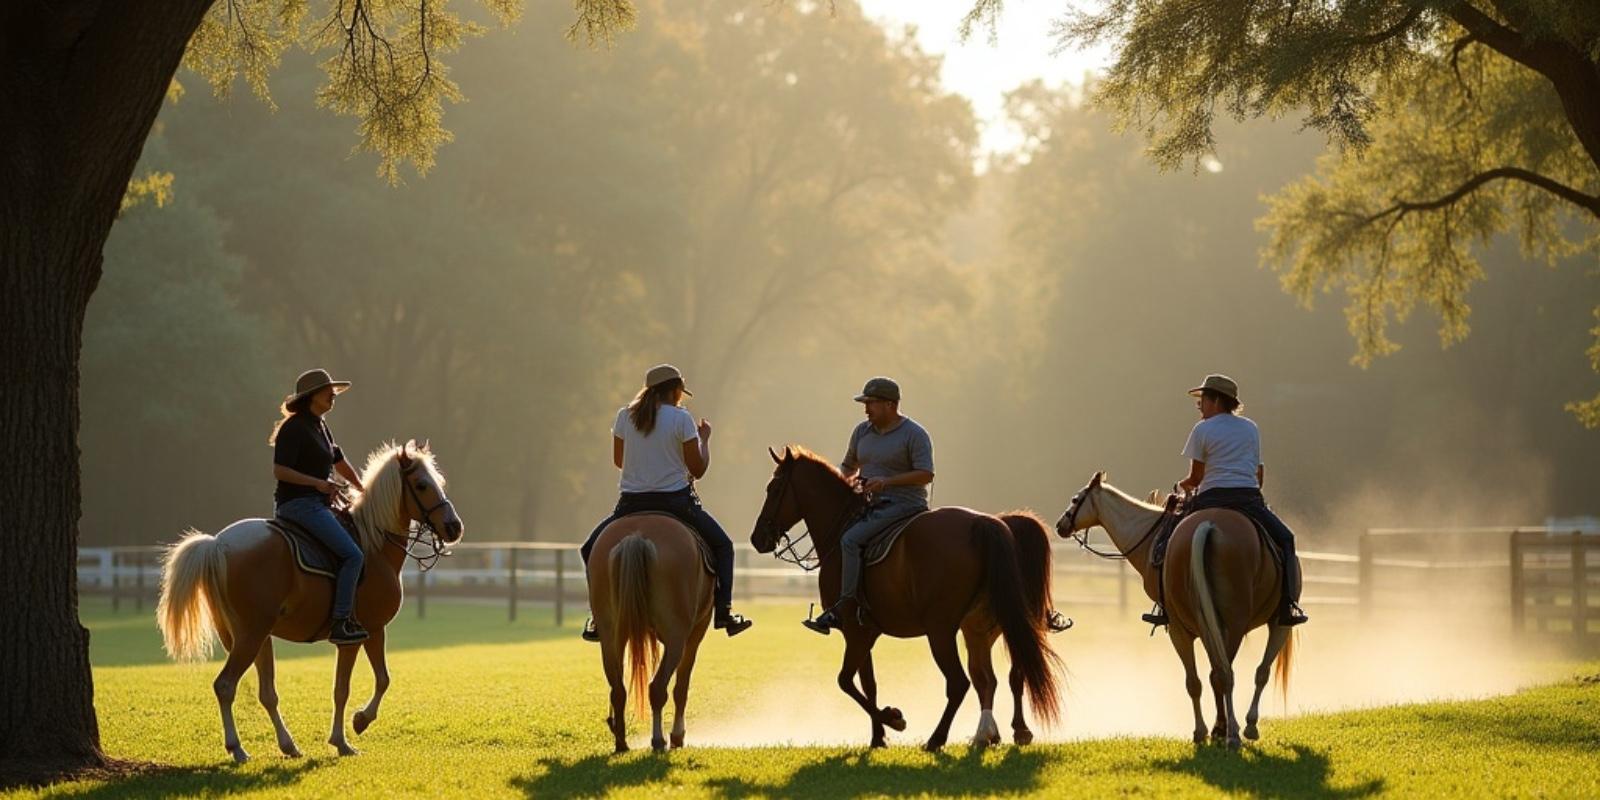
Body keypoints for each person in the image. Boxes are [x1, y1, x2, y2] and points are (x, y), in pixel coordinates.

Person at [580, 364, 752, 642]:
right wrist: (705, 440)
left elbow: (619, 461)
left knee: (589, 548)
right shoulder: (681, 419)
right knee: (724, 547)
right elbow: (698, 469)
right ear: (674, 391)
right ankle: (724, 612)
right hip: (675, 503)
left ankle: (598, 618)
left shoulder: (625, 416)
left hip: (630, 504)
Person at [1143, 373, 1308, 628]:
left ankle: (1164, 604)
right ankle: (1288, 605)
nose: (1199, 407)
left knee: (1166, 539)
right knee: (1286, 539)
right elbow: (1258, 473)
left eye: (1203, 401)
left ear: (1217, 401)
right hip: (1248, 499)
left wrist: (1179, 486)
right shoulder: (1251, 428)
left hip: (1210, 499)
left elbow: (1196, 478)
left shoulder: (1202, 429)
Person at [803, 377, 934, 634]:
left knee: (851, 541)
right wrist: (839, 490)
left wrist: (886, 482)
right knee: (836, 538)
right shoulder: (862, 431)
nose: (866, 409)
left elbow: (925, 474)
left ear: (890, 405)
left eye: (871, 403)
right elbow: (849, 467)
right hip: (868, 504)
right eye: (866, 403)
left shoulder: (915, 434)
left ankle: (844, 607)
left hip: (905, 504)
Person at [271, 368, 370, 645]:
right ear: (312, 396)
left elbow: (339, 462)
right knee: (353, 556)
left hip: (317, 503)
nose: (333, 395)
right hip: (299, 505)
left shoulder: (321, 426)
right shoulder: (293, 428)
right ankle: (340, 622)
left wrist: (362, 489)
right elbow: (280, 470)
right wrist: (318, 484)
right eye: (329, 391)